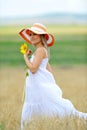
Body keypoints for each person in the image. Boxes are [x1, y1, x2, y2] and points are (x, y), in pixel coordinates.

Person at [19, 23, 87, 130]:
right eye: (31, 34)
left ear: (41, 37)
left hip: (38, 87)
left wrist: (25, 58)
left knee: (51, 110)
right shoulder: (39, 51)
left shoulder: (40, 50)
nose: (31, 36)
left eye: (35, 34)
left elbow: (33, 69)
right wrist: (51, 84)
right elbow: (48, 68)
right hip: (36, 87)